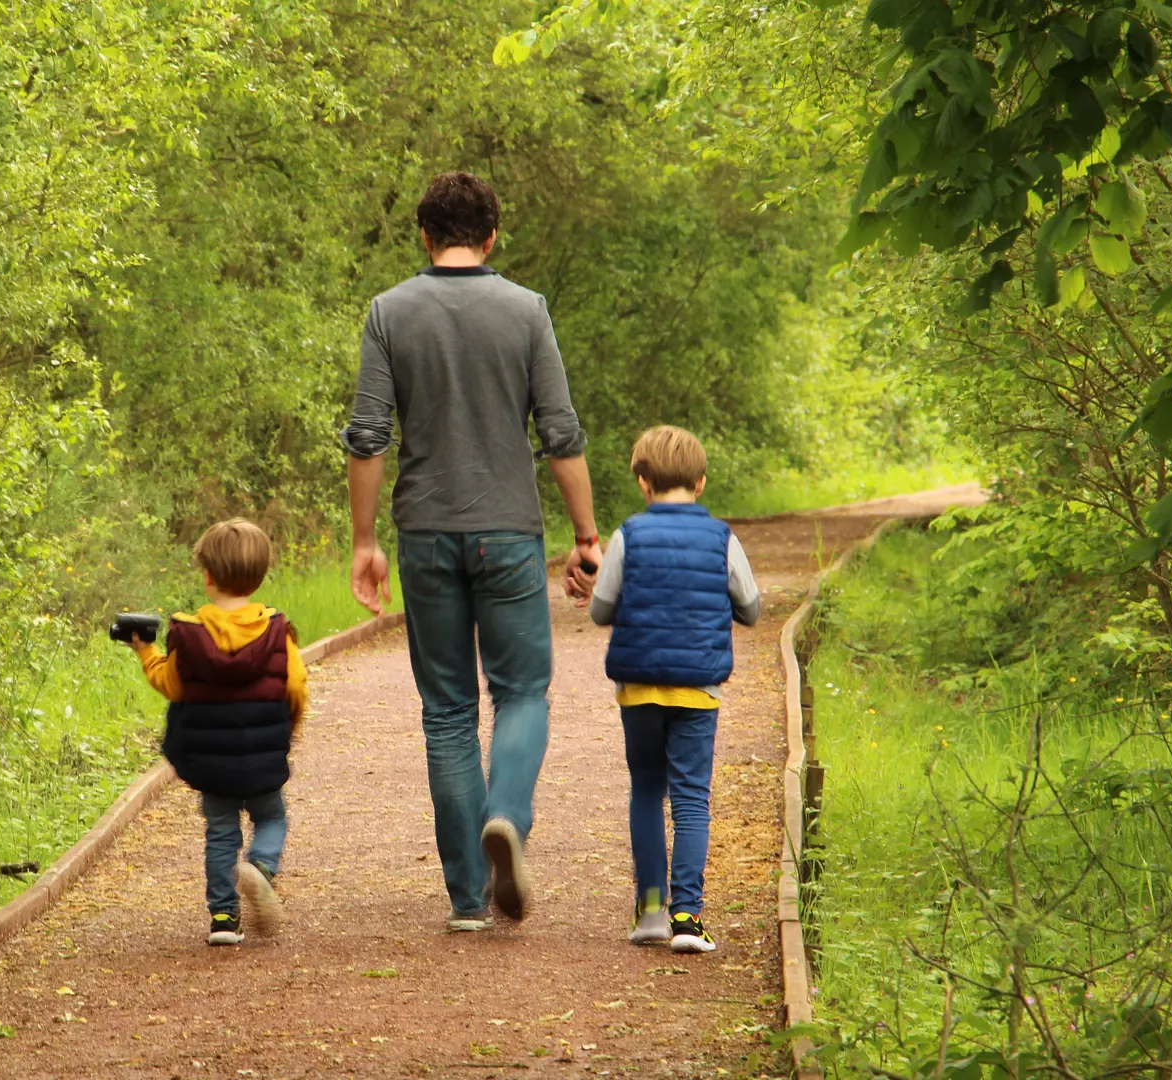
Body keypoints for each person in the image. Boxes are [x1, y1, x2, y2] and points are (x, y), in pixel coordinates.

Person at [342, 171, 602, 930]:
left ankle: (466, 900)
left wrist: (364, 542)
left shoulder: (390, 312)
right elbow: (561, 432)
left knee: (448, 711)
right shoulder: (526, 311)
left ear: (424, 236)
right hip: (510, 534)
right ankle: (508, 818)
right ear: (492, 236)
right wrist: (585, 535)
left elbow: (367, 436)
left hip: (424, 533)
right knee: (521, 693)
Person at [588, 426, 761, 954]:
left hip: (638, 688)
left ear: (643, 482)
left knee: (645, 790)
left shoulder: (628, 536)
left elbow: (601, 608)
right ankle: (689, 918)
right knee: (690, 799)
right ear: (701, 482)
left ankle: (650, 911)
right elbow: (751, 608)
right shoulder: (722, 537)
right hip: (697, 691)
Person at [127, 518, 309, 946]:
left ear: (208, 576)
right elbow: (296, 687)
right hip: (262, 756)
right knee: (272, 816)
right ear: (260, 576)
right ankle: (261, 868)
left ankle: (224, 918)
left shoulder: (189, 634)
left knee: (221, 833)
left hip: (211, 763)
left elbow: (170, 685)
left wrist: (146, 650)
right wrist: (287, 729)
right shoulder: (278, 632)